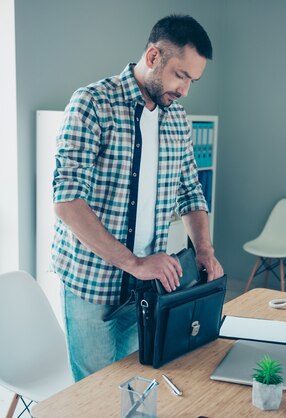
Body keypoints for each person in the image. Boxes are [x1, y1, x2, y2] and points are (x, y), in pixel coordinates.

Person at [51, 14, 224, 381]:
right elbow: (67, 201)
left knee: (135, 382)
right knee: (96, 393)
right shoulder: (92, 104)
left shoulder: (177, 119)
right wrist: (134, 262)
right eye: (181, 75)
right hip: (92, 284)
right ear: (153, 57)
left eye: (193, 80)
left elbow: (191, 191)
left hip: (148, 286)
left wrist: (204, 250)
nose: (185, 90)